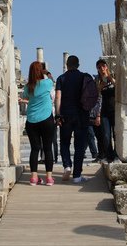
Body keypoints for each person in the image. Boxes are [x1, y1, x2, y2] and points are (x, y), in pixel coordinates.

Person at [19, 61, 56, 186]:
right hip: (46, 119)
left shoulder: (28, 87)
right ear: (41, 71)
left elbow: (24, 96)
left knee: (34, 149)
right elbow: (52, 80)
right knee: (47, 148)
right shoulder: (47, 83)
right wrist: (47, 73)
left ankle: (34, 178)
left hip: (32, 120)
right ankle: (49, 178)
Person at [54, 55, 90, 183]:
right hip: (81, 115)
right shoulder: (84, 77)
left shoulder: (61, 78)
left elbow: (57, 97)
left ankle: (67, 166)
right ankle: (77, 176)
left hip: (65, 115)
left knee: (64, 142)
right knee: (79, 146)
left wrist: (58, 115)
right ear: (78, 65)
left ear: (67, 65)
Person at [95, 59, 118, 163]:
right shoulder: (98, 80)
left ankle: (117, 154)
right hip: (104, 111)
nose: (101, 69)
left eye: (103, 66)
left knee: (116, 134)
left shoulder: (113, 76)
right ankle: (109, 155)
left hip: (114, 110)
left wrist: (110, 78)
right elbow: (97, 95)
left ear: (107, 66)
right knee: (106, 135)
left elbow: (119, 88)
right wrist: (101, 84)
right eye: (99, 67)